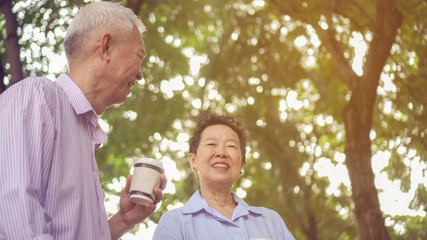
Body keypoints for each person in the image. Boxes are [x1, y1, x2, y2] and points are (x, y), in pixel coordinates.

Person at [0, 1, 166, 239]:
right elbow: (15, 216)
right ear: (106, 47)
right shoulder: (37, 97)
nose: (140, 74)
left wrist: (122, 221)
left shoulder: (83, 134)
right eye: (139, 57)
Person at [153, 114, 295, 240]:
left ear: (241, 165)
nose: (221, 152)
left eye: (231, 146)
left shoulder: (270, 221)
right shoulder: (175, 223)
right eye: (211, 144)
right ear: (193, 161)